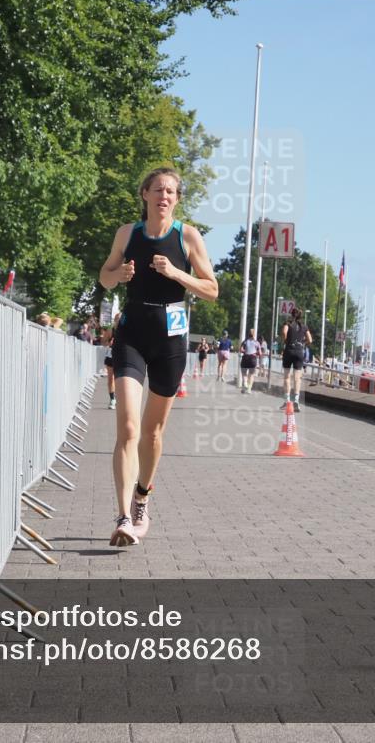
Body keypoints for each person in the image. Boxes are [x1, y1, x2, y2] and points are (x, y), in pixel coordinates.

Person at [98, 167, 218, 546]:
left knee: (152, 432)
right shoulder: (127, 234)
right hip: (132, 331)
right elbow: (104, 274)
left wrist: (177, 275)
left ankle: (141, 498)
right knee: (129, 428)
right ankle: (121, 518)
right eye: (158, 189)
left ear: (176, 200)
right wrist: (118, 276)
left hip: (170, 337)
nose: (164, 196)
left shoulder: (187, 237)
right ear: (145, 194)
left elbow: (212, 289)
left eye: (171, 191)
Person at [280, 307, 312, 412]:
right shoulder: (304, 326)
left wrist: (286, 341)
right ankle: (296, 401)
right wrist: (303, 344)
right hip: (299, 351)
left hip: (289, 350)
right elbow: (310, 340)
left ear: (291, 314)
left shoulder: (287, 323)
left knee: (287, 377)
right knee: (297, 378)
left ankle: (287, 401)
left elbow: (284, 333)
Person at [102, 320, 117, 409]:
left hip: (123, 357)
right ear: (115, 321)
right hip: (111, 356)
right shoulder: (111, 330)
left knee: (120, 379)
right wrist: (108, 343)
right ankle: (112, 399)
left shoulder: (127, 329)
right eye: (117, 320)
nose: (118, 322)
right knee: (111, 378)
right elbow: (103, 342)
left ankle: (120, 397)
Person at [239, 329, 259, 394]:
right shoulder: (257, 342)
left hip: (245, 358)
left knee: (244, 373)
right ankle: (249, 389)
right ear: (254, 334)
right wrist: (255, 353)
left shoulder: (245, 341)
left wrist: (246, 351)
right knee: (251, 375)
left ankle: (245, 384)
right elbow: (260, 353)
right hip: (253, 358)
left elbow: (241, 349)